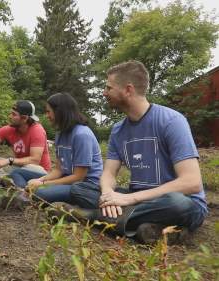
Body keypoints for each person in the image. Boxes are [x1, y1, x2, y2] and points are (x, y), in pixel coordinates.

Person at [69, 60, 207, 243]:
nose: (104, 93)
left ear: (128, 89)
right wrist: (108, 194)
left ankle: (92, 216)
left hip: (175, 202)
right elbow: (109, 173)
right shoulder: (118, 130)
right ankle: (151, 229)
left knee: (179, 203)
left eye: (108, 88)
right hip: (140, 200)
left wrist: (128, 200)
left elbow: (192, 183)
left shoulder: (171, 121)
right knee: (80, 188)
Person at [10, 93, 103, 204]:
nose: (47, 115)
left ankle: (29, 195)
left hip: (84, 185)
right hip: (66, 178)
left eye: (49, 111)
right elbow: (59, 170)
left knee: (40, 192)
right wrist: (41, 180)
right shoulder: (60, 134)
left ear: (60, 112)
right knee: (17, 172)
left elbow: (78, 177)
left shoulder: (82, 135)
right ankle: (24, 193)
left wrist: (43, 184)